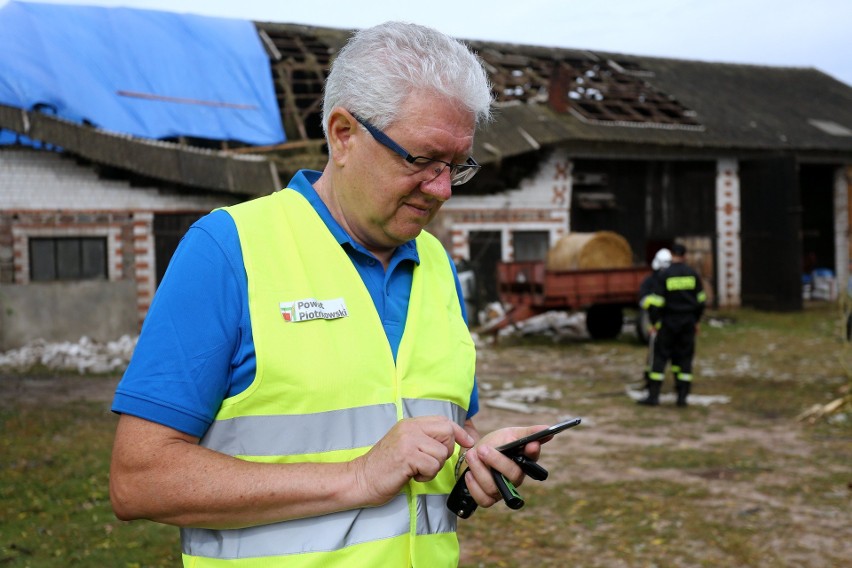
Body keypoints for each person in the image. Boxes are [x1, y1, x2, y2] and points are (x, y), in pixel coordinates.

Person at [109, 21, 552, 567]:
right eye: (421, 160)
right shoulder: (229, 250)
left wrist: (473, 461)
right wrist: (357, 477)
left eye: (455, 166)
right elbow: (139, 480)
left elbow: (446, 431)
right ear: (343, 133)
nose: (440, 189)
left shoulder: (437, 264)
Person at [639, 243, 706, 407]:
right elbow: (701, 301)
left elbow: (657, 303)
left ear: (672, 256)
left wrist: (655, 322)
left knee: (660, 358)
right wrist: (696, 321)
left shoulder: (665, 275)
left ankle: (653, 396)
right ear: (685, 256)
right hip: (688, 323)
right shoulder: (693, 275)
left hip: (668, 323)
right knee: (684, 359)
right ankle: (682, 398)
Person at [637, 248, 671, 391]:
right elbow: (643, 300)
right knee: (654, 354)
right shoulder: (651, 281)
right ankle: (649, 380)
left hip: (668, 322)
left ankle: (654, 382)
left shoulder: (669, 279)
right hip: (658, 322)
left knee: (660, 354)